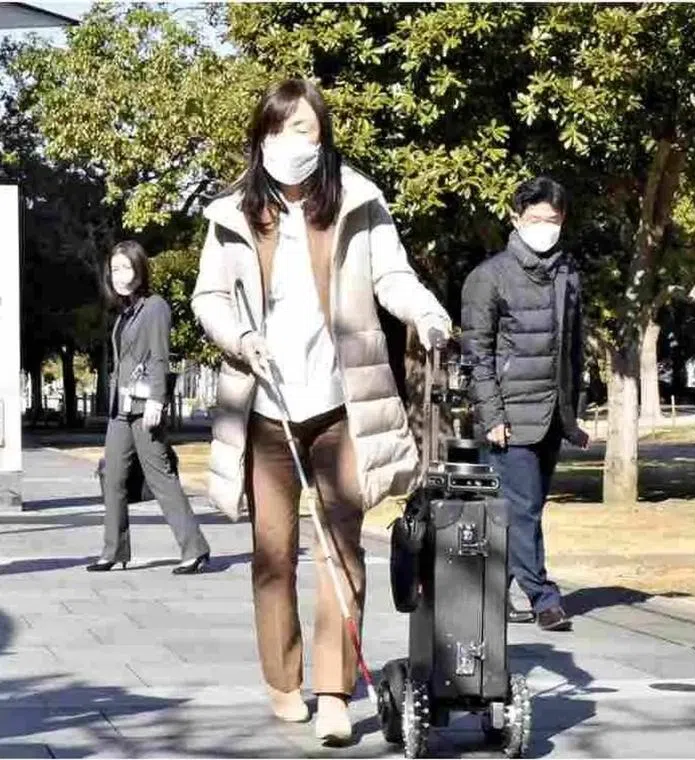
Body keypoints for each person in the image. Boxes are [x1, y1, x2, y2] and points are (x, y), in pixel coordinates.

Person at [190, 78, 450, 744]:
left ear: (324, 135)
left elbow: (391, 276)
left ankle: (335, 691)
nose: (294, 141)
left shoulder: (359, 201)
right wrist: (241, 339)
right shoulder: (233, 214)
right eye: (281, 130)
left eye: (306, 128)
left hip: (340, 405)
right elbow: (208, 299)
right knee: (273, 554)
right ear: (261, 138)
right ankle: (284, 680)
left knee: (339, 550)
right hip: (266, 409)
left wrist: (424, 312)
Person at [461, 176, 589, 633]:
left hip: (552, 414)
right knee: (522, 508)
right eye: (534, 219)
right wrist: (491, 416)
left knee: (520, 509)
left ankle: (488, 594)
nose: (544, 228)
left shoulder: (568, 273)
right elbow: (477, 354)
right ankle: (543, 597)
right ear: (515, 219)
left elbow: (575, 347)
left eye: (551, 220)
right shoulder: (488, 278)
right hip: (510, 418)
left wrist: (575, 410)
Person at [87, 241, 212, 575]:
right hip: (120, 409)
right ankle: (114, 550)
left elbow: (159, 357)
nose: (119, 275)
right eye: (115, 269)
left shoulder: (154, 307)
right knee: (111, 476)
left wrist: (157, 400)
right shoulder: (124, 314)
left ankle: (194, 548)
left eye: (126, 267)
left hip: (144, 406)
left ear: (140, 270)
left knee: (161, 477)